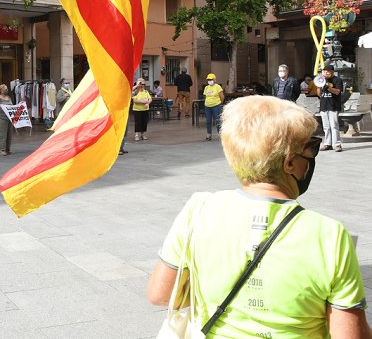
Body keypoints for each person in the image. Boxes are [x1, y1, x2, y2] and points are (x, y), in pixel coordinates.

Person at [148, 96, 370, 338]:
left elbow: (160, 294)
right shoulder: (329, 235)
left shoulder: (198, 210)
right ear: (289, 163)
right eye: (311, 147)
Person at [319, 64, 344, 152]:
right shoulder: (321, 80)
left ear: (332, 72)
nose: (325, 72)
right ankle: (327, 143)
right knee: (326, 126)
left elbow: (337, 92)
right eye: (324, 71)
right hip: (323, 105)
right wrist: (320, 86)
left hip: (333, 105)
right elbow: (319, 93)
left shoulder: (337, 80)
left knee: (334, 126)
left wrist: (328, 88)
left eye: (327, 71)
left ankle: (337, 144)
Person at [0, 84, 13, 156]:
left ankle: (8, 149)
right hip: (2, 119)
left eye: (7, 89)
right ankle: (2, 150)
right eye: (5, 89)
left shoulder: (9, 98)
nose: (6, 90)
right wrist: (1, 107)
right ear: (1, 90)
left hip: (10, 118)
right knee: (2, 135)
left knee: (9, 134)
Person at [203, 73, 224, 141]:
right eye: (208, 79)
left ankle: (220, 134)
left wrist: (219, 103)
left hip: (216, 106)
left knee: (218, 120)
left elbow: (222, 96)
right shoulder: (206, 88)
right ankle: (209, 134)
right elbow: (205, 96)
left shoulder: (217, 87)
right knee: (208, 121)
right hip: (207, 106)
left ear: (214, 80)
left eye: (211, 79)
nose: (209, 80)